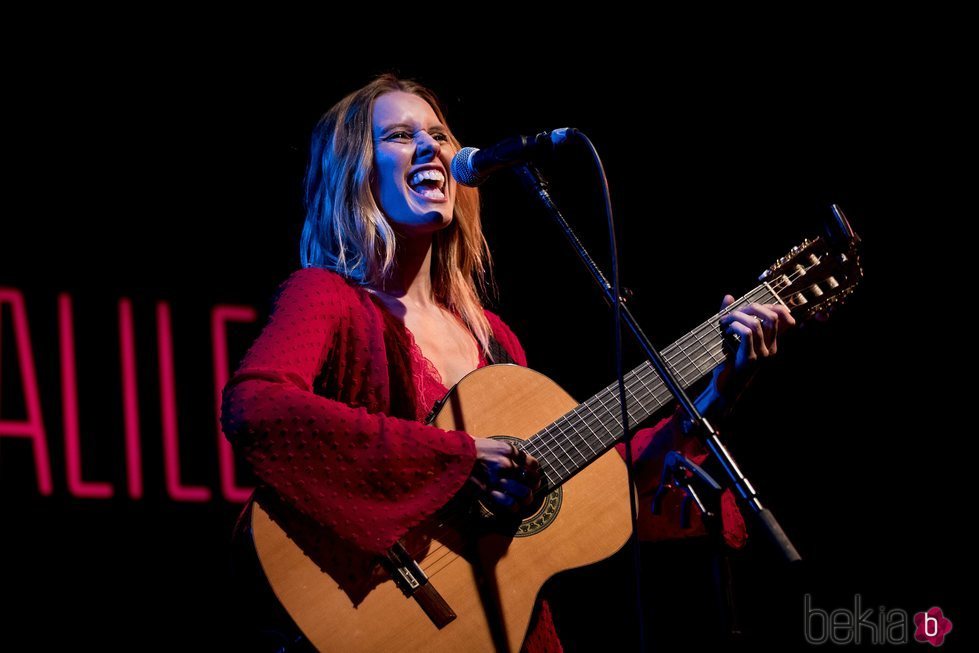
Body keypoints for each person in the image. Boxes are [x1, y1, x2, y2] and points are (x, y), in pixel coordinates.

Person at [220, 73, 795, 653]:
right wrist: (459, 460)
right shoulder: (326, 297)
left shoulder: (493, 338)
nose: (430, 148)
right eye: (399, 135)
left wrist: (723, 386)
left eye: (439, 134)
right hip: (379, 609)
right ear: (354, 172)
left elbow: (606, 488)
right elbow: (256, 406)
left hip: (506, 628)